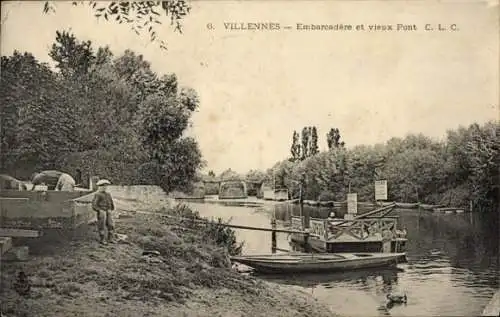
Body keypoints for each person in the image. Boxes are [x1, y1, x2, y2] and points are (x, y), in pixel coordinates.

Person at [91, 179, 115, 245]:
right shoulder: (98, 194)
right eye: (102, 186)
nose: (104, 187)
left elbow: (111, 202)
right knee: (102, 225)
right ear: (99, 187)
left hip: (108, 211)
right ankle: (102, 239)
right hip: (102, 211)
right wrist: (99, 210)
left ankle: (111, 238)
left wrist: (111, 209)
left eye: (105, 186)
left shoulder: (108, 194)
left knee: (111, 224)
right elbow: (94, 205)